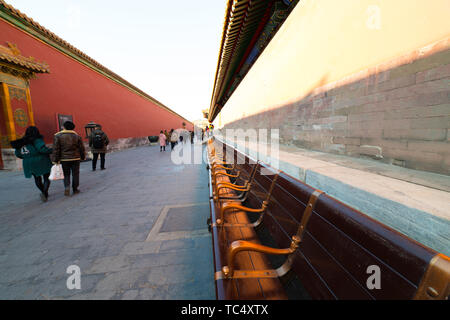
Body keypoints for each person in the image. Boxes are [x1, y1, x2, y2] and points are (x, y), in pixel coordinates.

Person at [10, 126, 53, 202]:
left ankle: (43, 192)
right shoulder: (37, 140)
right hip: (41, 160)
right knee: (46, 177)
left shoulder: (21, 142)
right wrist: (52, 150)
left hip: (28, 163)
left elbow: (18, 154)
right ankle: (45, 193)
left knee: (37, 178)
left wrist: (27, 157)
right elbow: (42, 149)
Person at [52, 121, 85, 196]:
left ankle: (67, 187)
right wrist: (83, 157)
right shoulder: (77, 136)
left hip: (64, 159)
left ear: (64, 127)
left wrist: (55, 160)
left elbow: (56, 149)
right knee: (75, 174)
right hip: (75, 158)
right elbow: (81, 148)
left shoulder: (58, 136)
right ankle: (75, 189)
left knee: (66, 174)